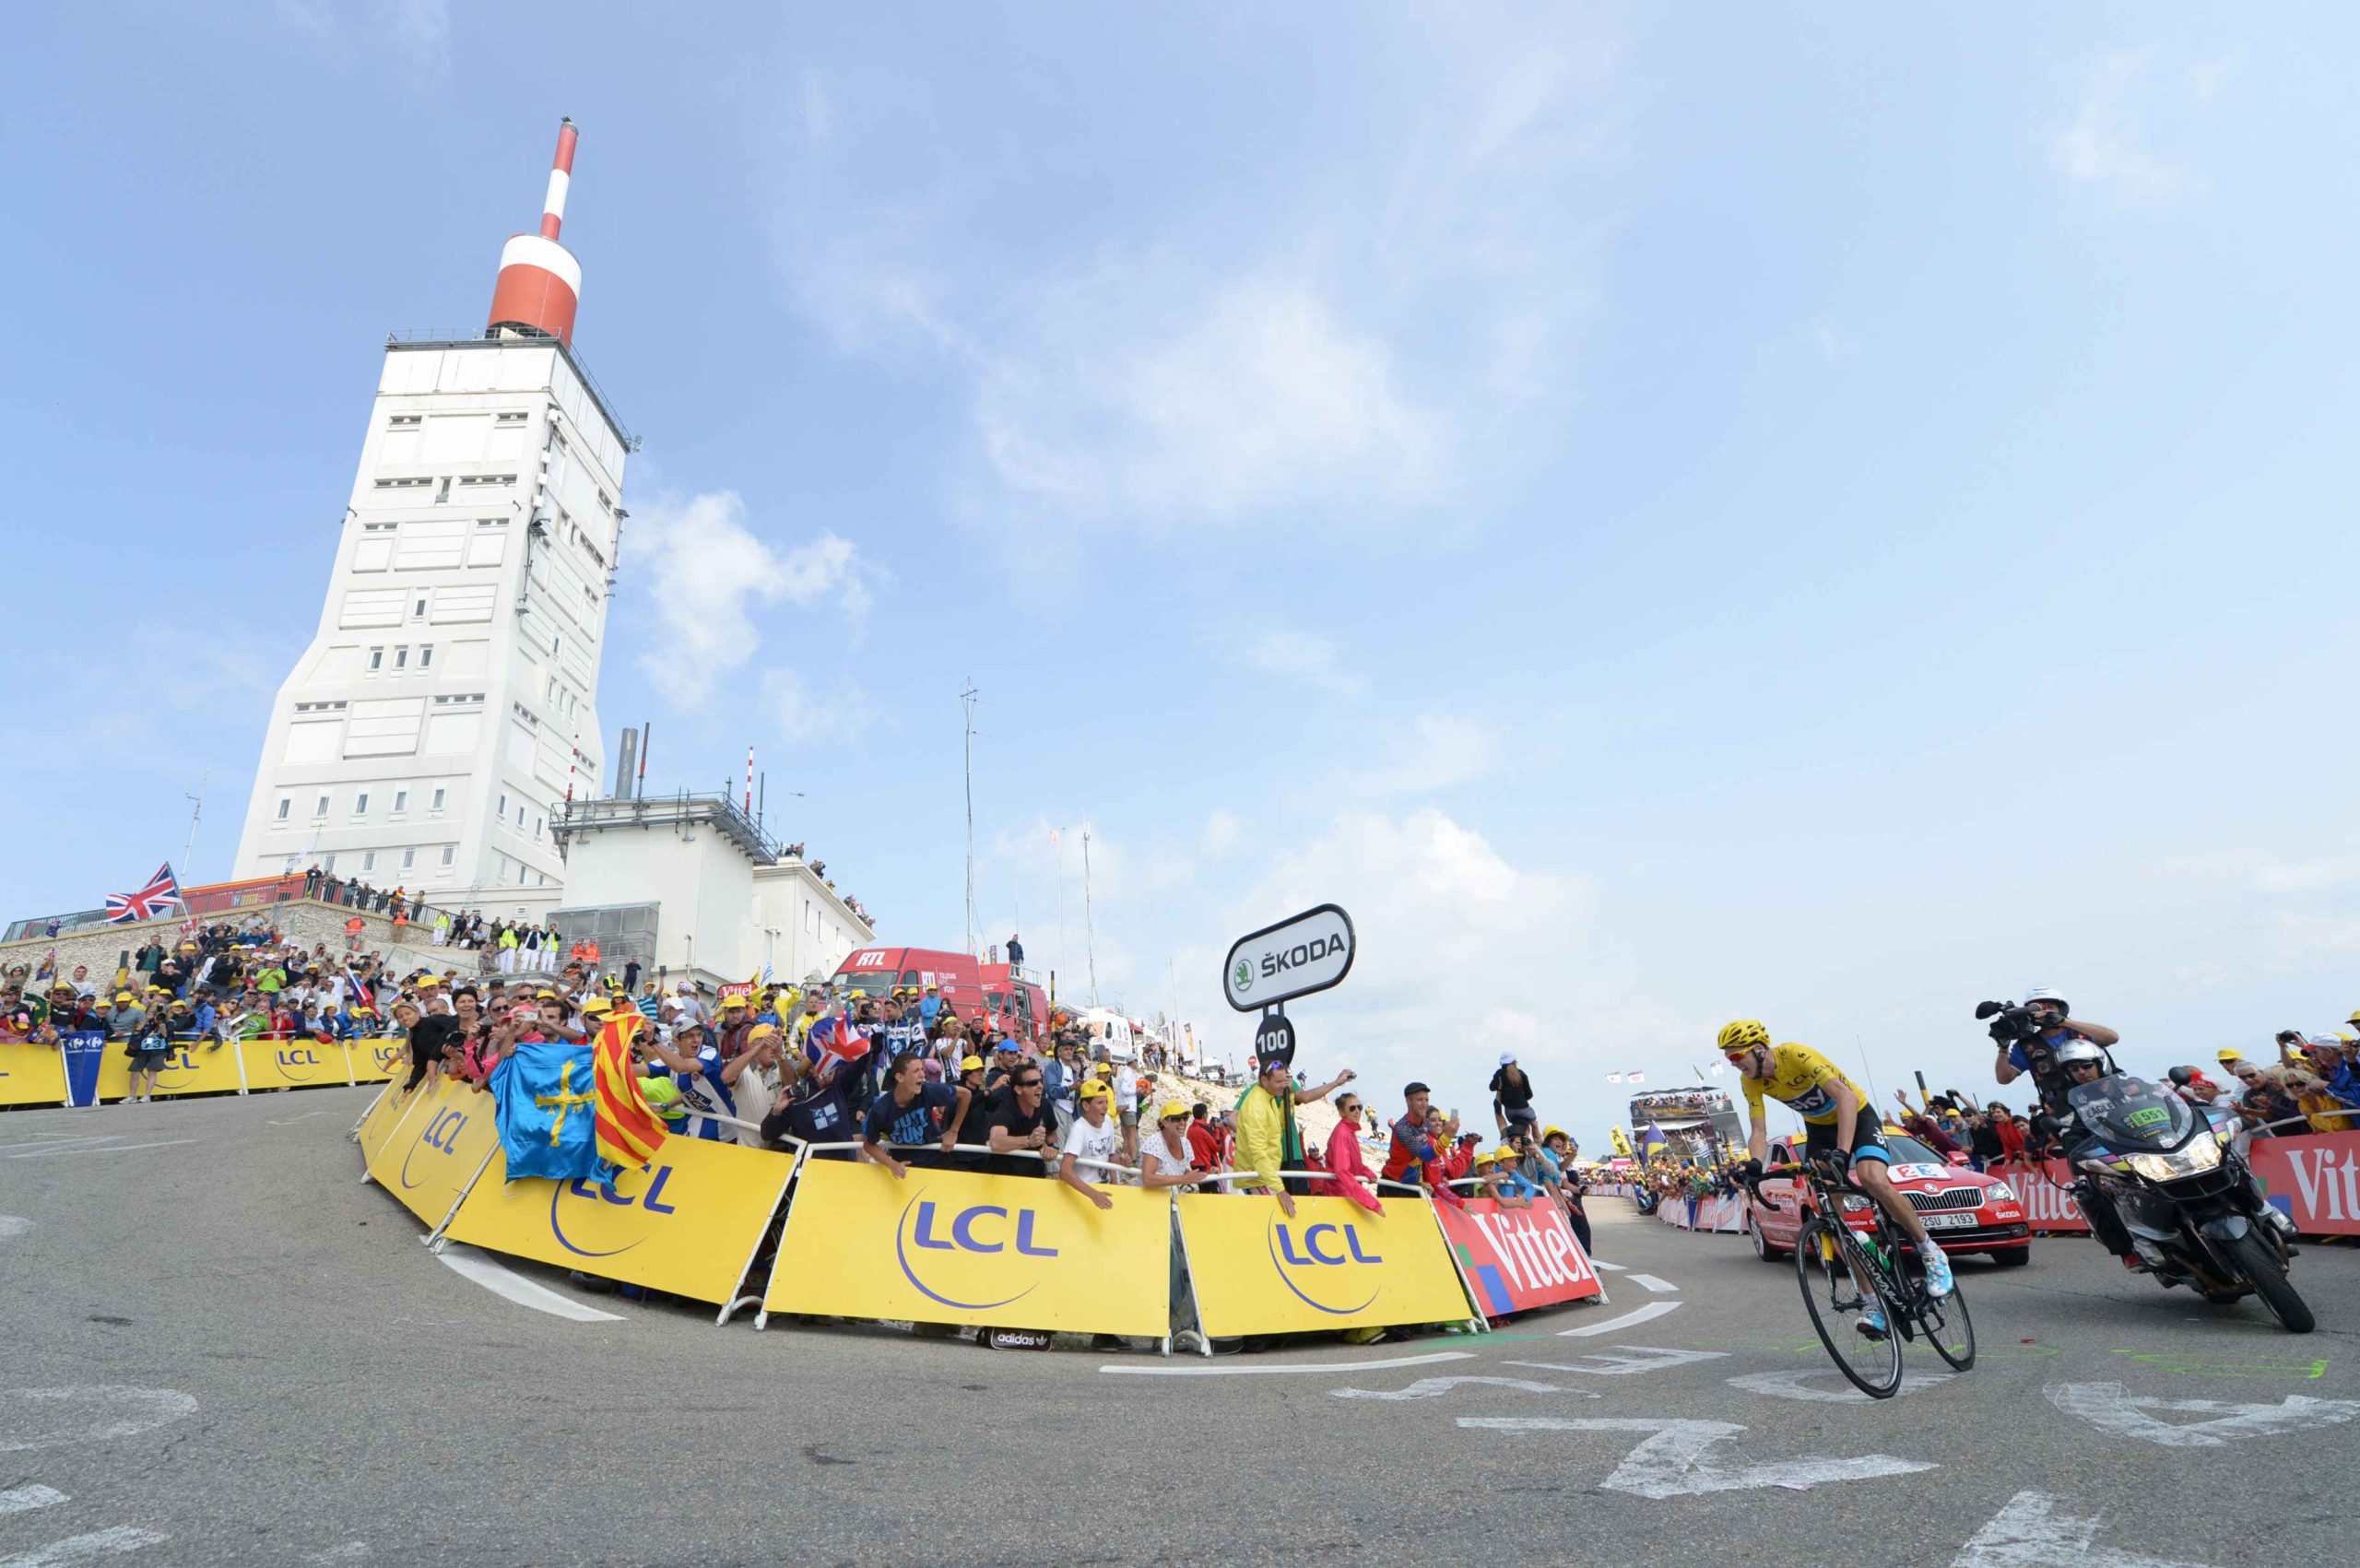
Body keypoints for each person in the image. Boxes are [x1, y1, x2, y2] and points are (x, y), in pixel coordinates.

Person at [1719, 1020, 1953, 1332]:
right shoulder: (1751, 1082)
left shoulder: (1796, 1055)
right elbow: (1759, 1130)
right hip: (1820, 1129)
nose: (1735, 1065)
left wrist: (1843, 1153)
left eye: (1736, 1057)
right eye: (1729, 1059)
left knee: (1872, 1178)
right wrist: (1755, 1164)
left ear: (1760, 1049)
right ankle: (1873, 1303)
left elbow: (1845, 1097)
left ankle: (1931, 1253)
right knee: (1833, 1222)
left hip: (1857, 1114)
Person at [1234, 1056, 1356, 1214]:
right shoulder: (1256, 1105)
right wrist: (1280, 1190)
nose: (1283, 1085)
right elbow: (1258, 1152)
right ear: (1264, 1080)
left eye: (1285, 1081)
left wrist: (1290, 1097)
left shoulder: (1270, 1097)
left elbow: (1280, 1126)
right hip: (1256, 1178)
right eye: (1279, 1082)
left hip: (1265, 1174)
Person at [1991, 987, 2121, 1118]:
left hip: (2107, 1101)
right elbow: (2004, 1078)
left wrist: (2064, 1021)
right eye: (2038, 1008)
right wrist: (2003, 1049)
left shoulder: (2080, 1031)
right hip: (2065, 1112)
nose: (2044, 1011)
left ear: (2061, 1009)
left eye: (2050, 1007)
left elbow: (2112, 1037)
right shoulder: (2026, 1046)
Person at [857, 1052, 971, 1178]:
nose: (922, 1075)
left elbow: (966, 1094)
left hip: (937, 1163)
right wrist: (892, 1164)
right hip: (905, 1172)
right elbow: (868, 1145)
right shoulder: (880, 1110)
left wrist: (953, 1131)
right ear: (900, 1077)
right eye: (916, 1071)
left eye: (922, 1069)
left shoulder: (928, 1091)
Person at [984, 1061, 1060, 1178]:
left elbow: (1052, 1133)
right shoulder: (1006, 1109)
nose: (1040, 1086)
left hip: (1035, 1176)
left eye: (1041, 1081)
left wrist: (1052, 1147)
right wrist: (1029, 1140)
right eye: (1033, 1083)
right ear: (1018, 1089)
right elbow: (996, 1142)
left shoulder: (1045, 1105)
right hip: (1003, 1179)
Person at [1057, 1079, 1121, 1210]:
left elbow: (1110, 1156)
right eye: (1100, 1103)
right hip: (1085, 1193)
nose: (1105, 1107)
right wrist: (1093, 1195)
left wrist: (1121, 1162)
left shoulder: (1108, 1121)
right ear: (1086, 1106)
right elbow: (1065, 1171)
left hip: (1106, 1188)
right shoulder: (1078, 1129)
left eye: (1106, 1102)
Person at [1316, 1091, 1383, 1215]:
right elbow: (1342, 1171)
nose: (1357, 1111)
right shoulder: (1342, 1133)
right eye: (1352, 1108)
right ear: (1342, 1112)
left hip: (1348, 1194)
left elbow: (1354, 1164)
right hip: (1341, 1196)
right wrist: (1372, 1203)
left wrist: (1367, 1172)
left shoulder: (1349, 1131)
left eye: (1359, 1107)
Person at [1490, 1053, 1539, 1138]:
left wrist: (1500, 1089)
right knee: (1535, 1124)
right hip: (1524, 1108)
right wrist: (1522, 1099)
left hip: (1509, 1111)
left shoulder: (1499, 1073)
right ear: (1515, 1062)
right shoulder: (1521, 1074)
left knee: (1503, 1120)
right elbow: (1529, 1095)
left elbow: (1491, 1087)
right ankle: (1538, 1140)